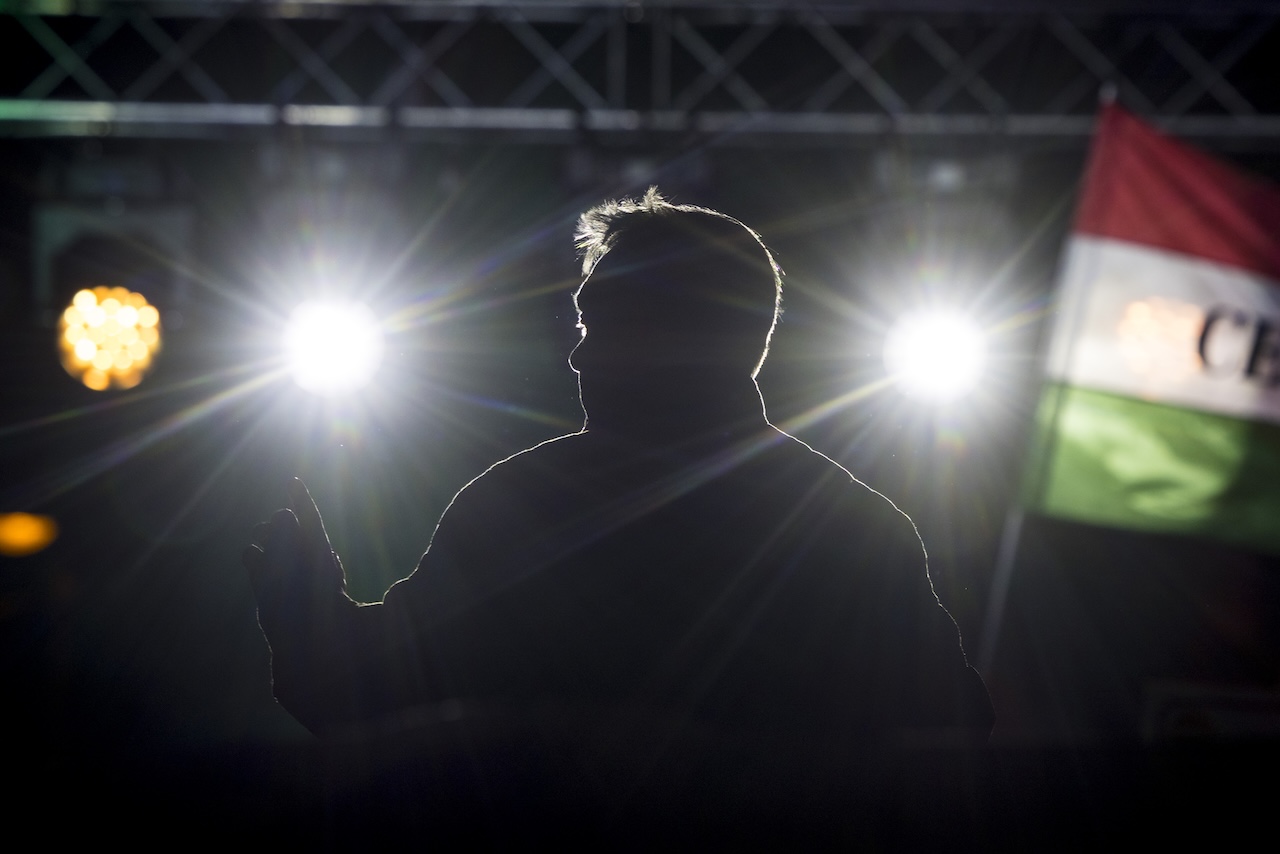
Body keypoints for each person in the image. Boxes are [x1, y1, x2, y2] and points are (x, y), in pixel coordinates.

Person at [244, 188, 994, 749]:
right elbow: (953, 737)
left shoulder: (519, 507)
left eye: (599, 323)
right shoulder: (856, 526)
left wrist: (306, 611)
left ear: (679, 333)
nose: (577, 354)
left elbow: (371, 698)